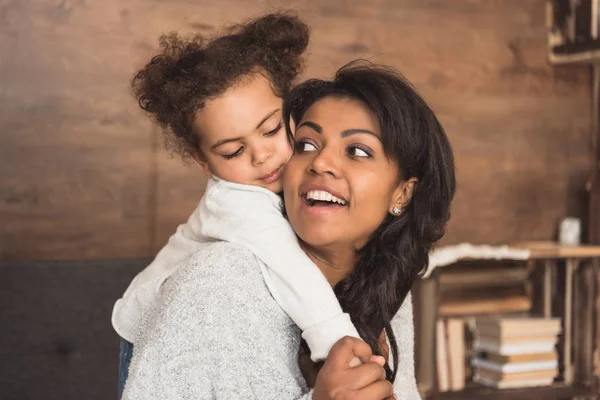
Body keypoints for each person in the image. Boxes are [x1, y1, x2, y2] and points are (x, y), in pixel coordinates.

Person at [122, 60, 456, 399]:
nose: (320, 162)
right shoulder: (217, 281)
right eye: (306, 145)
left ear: (403, 193)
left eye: (356, 151)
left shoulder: (384, 285)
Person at [113, 13, 363, 399]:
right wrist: (339, 342)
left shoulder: (302, 175)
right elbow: (290, 268)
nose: (262, 155)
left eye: (271, 129)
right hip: (153, 332)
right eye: (233, 150)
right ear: (203, 161)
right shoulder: (236, 203)